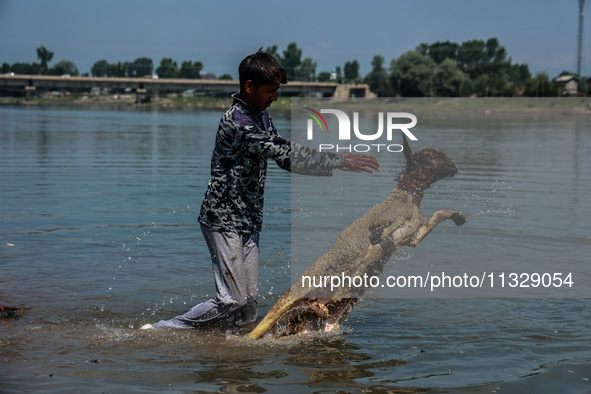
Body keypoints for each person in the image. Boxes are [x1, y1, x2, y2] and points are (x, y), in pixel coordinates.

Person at [145, 49, 379, 330]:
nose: (275, 97)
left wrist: (336, 161)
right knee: (232, 300)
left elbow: (282, 149)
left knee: (249, 307)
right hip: (223, 219)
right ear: (249, 87)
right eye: (270, 91)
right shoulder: (239, 122)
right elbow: (285, 154)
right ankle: (162, 330)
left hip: (249, 220)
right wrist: (340, 160)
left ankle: (236, 353)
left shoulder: (262, 117)